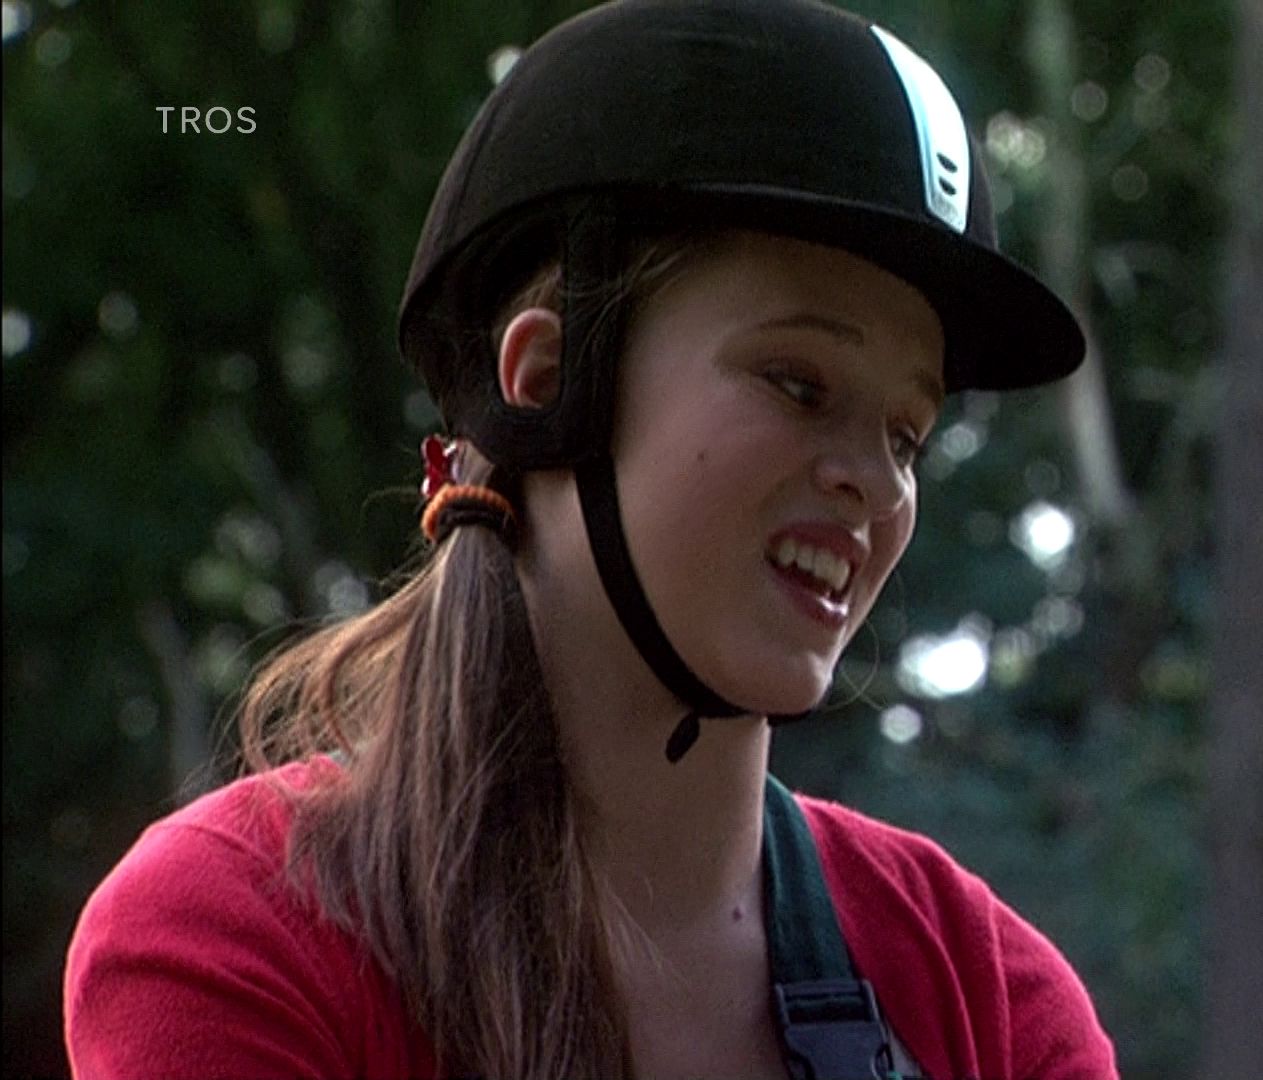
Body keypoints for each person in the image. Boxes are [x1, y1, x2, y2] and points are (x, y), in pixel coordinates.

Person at [61, 1, 1117, 1078]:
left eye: (907, 436)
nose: (877, 483)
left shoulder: (995, 999)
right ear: (548, 380)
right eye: (800, 383)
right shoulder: (235, 936)